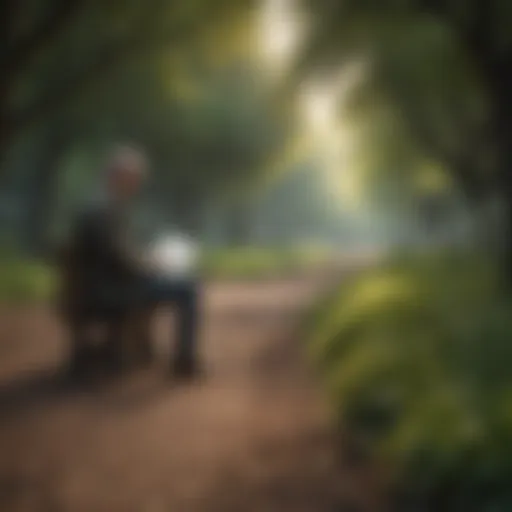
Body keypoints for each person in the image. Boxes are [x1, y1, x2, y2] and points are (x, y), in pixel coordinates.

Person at [70, 145, 201, 379]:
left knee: (173, 280)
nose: (137, 184)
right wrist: (153, 265)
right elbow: (122, 261)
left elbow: (118, 254)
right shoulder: (105, 209)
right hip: (111, 291)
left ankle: (148, 352)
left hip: (100, 286)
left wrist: (146, 261)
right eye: (133, 178)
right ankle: (185, 361)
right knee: (187, 288)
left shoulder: (100, 205)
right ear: (116, 176)